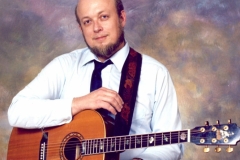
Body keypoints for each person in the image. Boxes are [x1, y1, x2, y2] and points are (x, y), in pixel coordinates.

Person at [8, 0, 183, 159]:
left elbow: (171, 145)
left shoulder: (155, 73)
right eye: (87, 21)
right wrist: (79, 104)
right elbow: (16, 112)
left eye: (104, 17)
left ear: (122, 18)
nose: (96, 28)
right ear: (80, 28)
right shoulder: (64, 66)